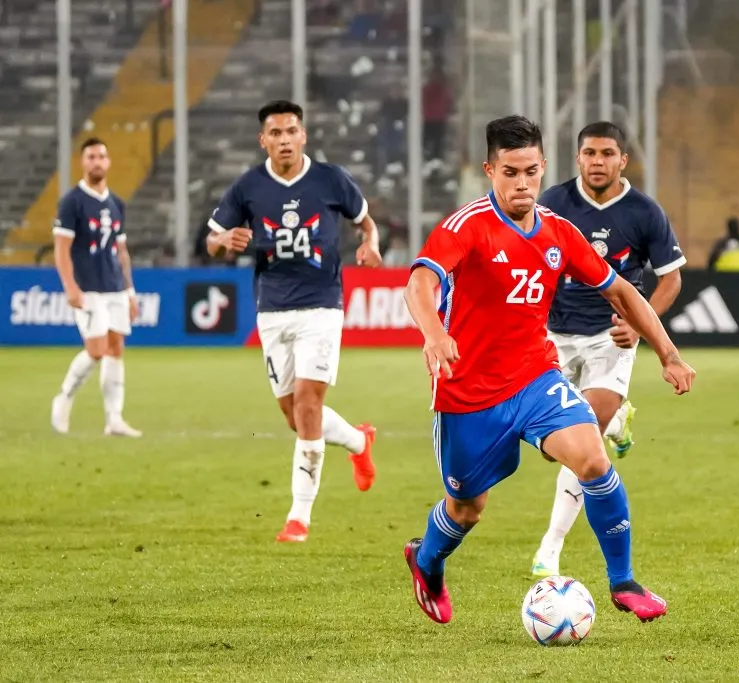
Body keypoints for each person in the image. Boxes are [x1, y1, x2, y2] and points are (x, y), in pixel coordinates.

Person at [402, 115, 696, 625]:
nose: (522, 184)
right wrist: (435, 333)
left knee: (593, 460)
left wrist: (667, 353)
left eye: (531, 172)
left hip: (535, 377)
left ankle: (623, 581)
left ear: (543, 169)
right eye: (510, 172)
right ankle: (426, 561)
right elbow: (420, 283)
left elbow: (622, 290)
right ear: (489, 169)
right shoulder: (465, 226)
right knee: (467, 508)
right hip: (466, 389)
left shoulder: (559, 232)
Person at [206, 100, 381, 544]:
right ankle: (360, 442)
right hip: (272, 308)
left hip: (321, 306)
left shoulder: (330, 179)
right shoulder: (249, 186)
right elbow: (210, 241)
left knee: (307, 404)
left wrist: (370, 245)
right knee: (295, 415)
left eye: (291, 131)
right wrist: (224, 239)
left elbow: (366, 222)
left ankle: (298, 517)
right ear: (263, 139)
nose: (284, 140)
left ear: (303, 135)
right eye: (276, 133)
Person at [529, 121, 686, 578]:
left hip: (610, 338)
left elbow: (670, 278)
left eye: (607, 153)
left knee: (583, 437)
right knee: (549, 446)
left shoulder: (643, 212)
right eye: (590, 153)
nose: (598, 162)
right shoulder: (553, 203)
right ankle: (619, 421)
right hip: (554, 336)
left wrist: (637, 328)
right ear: (577, 158)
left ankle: (550, 546)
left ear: (623, 161)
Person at [50, 137, 142, 438]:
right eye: (91, 157)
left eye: (102, 156)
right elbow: (61, 249)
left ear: (109, 162)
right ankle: (64, 397)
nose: (97, 161)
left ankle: (114, 418)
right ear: (83, 162)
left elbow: (121, 251)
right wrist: (70, 287)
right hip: (88, 288)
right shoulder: (72, 201)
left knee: (116, 349)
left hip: (115, 287)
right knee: (96, 349)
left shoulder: (117, 203)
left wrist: (130, 292)